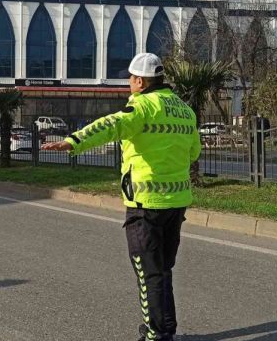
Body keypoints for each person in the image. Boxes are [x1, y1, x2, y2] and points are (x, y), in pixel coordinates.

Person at [42, 53, 201, 341]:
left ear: (140, 81)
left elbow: (109, 125)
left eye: (130, 78)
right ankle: (165, 328)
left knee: (147, 273)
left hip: (145, 204)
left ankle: (155, 334)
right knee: (163, 270)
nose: (129, 83)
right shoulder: (184, 111)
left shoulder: (140, 107)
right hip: (176, 203)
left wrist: (73, 141)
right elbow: (194, 153)